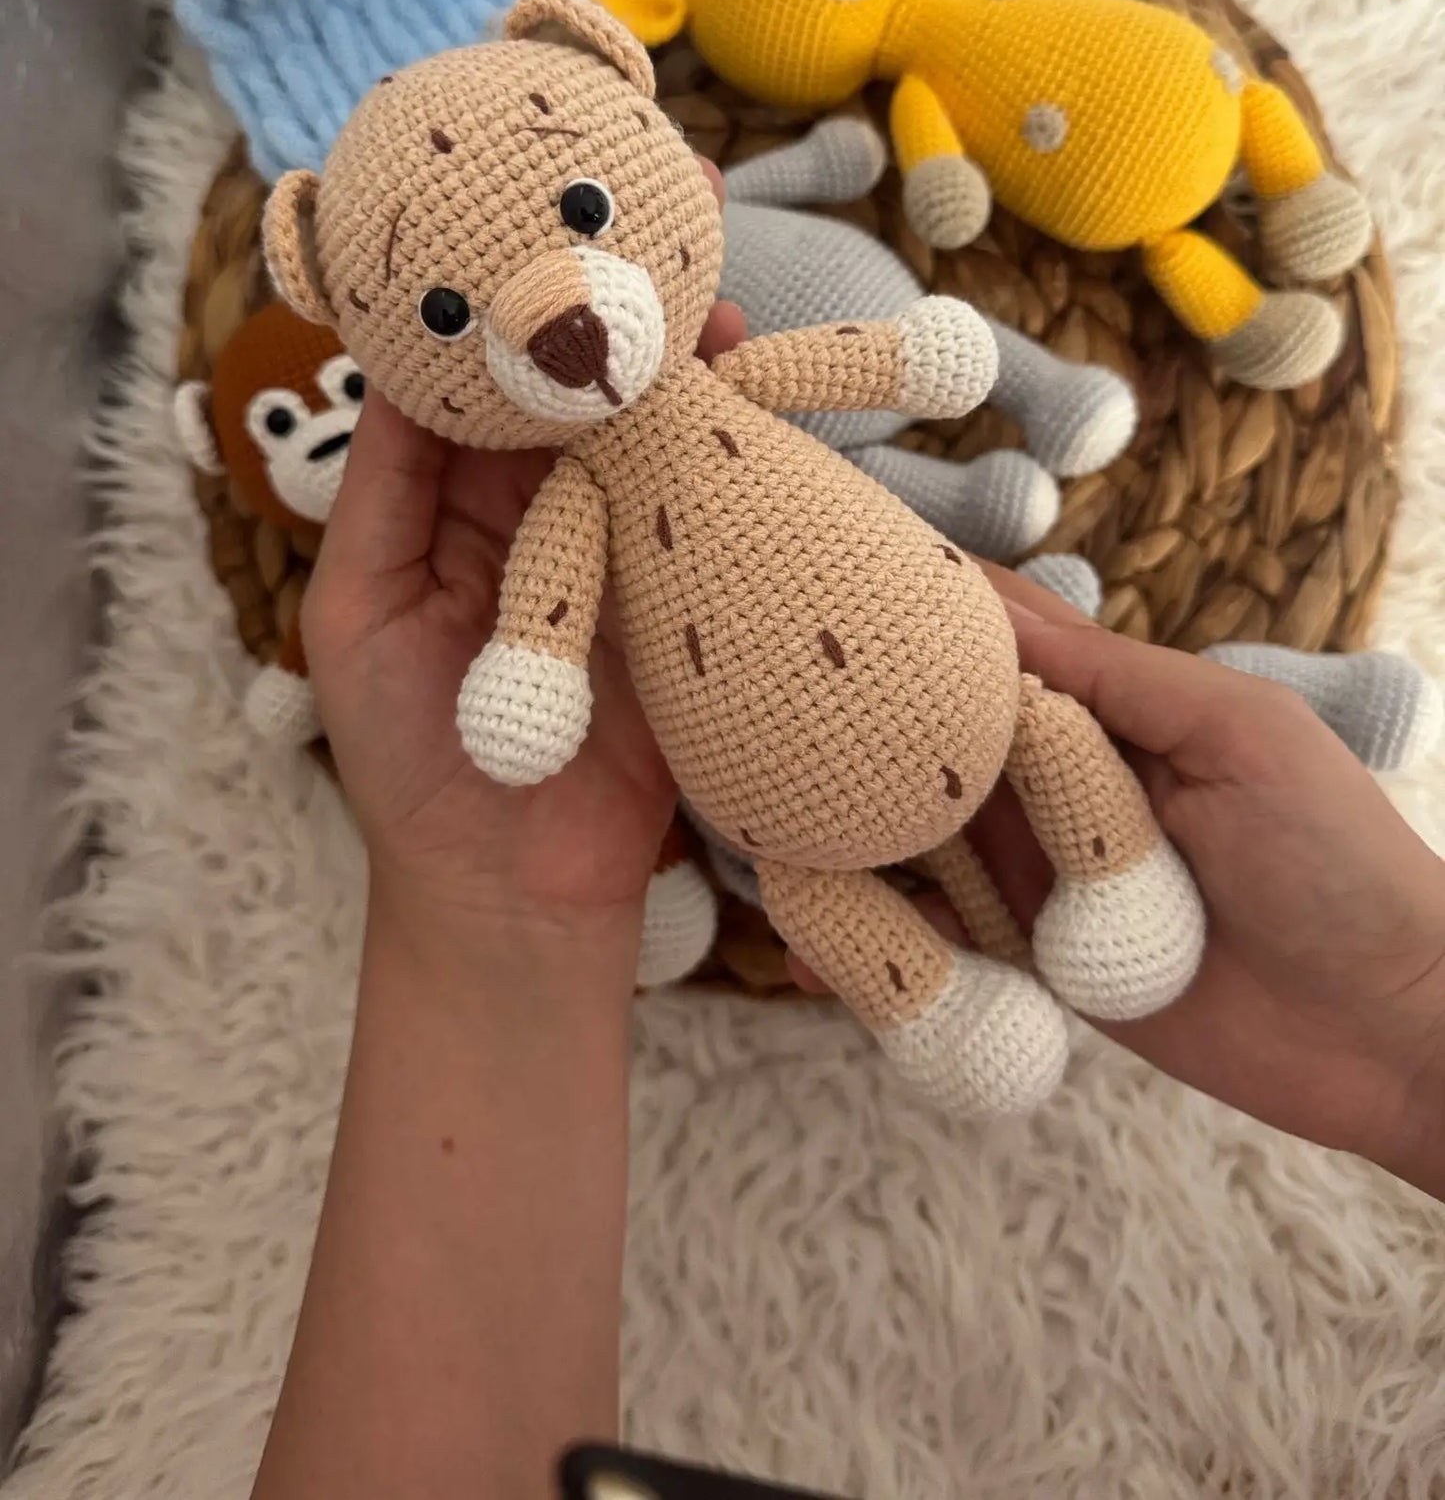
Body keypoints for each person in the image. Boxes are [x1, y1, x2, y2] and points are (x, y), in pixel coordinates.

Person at [249, 302, 1445, 1500]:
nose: (558, 318)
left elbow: (876, 361)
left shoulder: (720, 390)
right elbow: (544, 618)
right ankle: (944, 1003)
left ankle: (1111, 869)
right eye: (449, 313)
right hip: (803, 818)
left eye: (586, 216)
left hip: (973, 693)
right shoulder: (573, 499)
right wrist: (1406, 1015)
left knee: (1043, 726)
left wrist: (915, 357)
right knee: (818, 878)